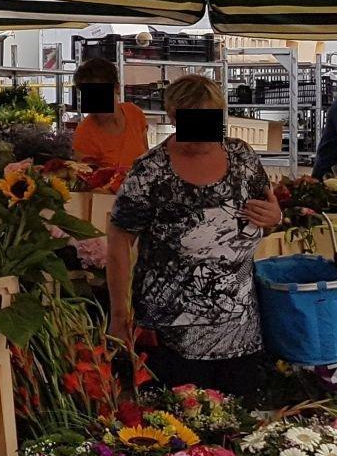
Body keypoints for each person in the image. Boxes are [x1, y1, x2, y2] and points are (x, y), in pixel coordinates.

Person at [107, 74, 284, 399]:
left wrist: (275, 218)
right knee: (176, 427)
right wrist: (119, 314)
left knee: (237, 426)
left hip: (239, 328)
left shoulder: (242, 157)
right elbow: (118, 239)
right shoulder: (151, 171)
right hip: (170, 333)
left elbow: (269, 212)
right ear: (173, 118)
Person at [70, 57, 150, 169]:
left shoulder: (135, 113)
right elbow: (89, 180)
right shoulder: (84, 134)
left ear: (117, 88)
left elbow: (147, 158)